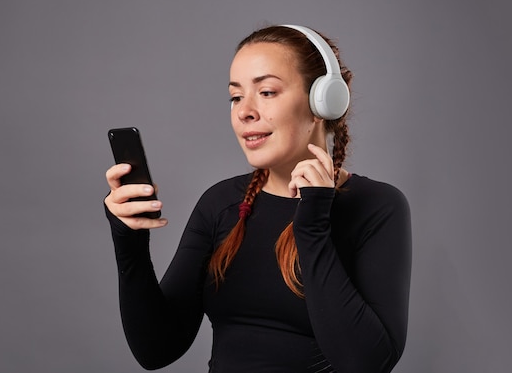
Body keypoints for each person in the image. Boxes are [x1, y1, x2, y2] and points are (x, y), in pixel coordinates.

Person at [104, 24, 412, 373]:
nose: (244, 111)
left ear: (321, 103)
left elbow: (365, 363)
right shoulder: (220, 203)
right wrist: (128, 240)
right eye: (236, 97)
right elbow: (156, 349)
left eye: (266, 92)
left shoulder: (377, 207)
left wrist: (312, 227)